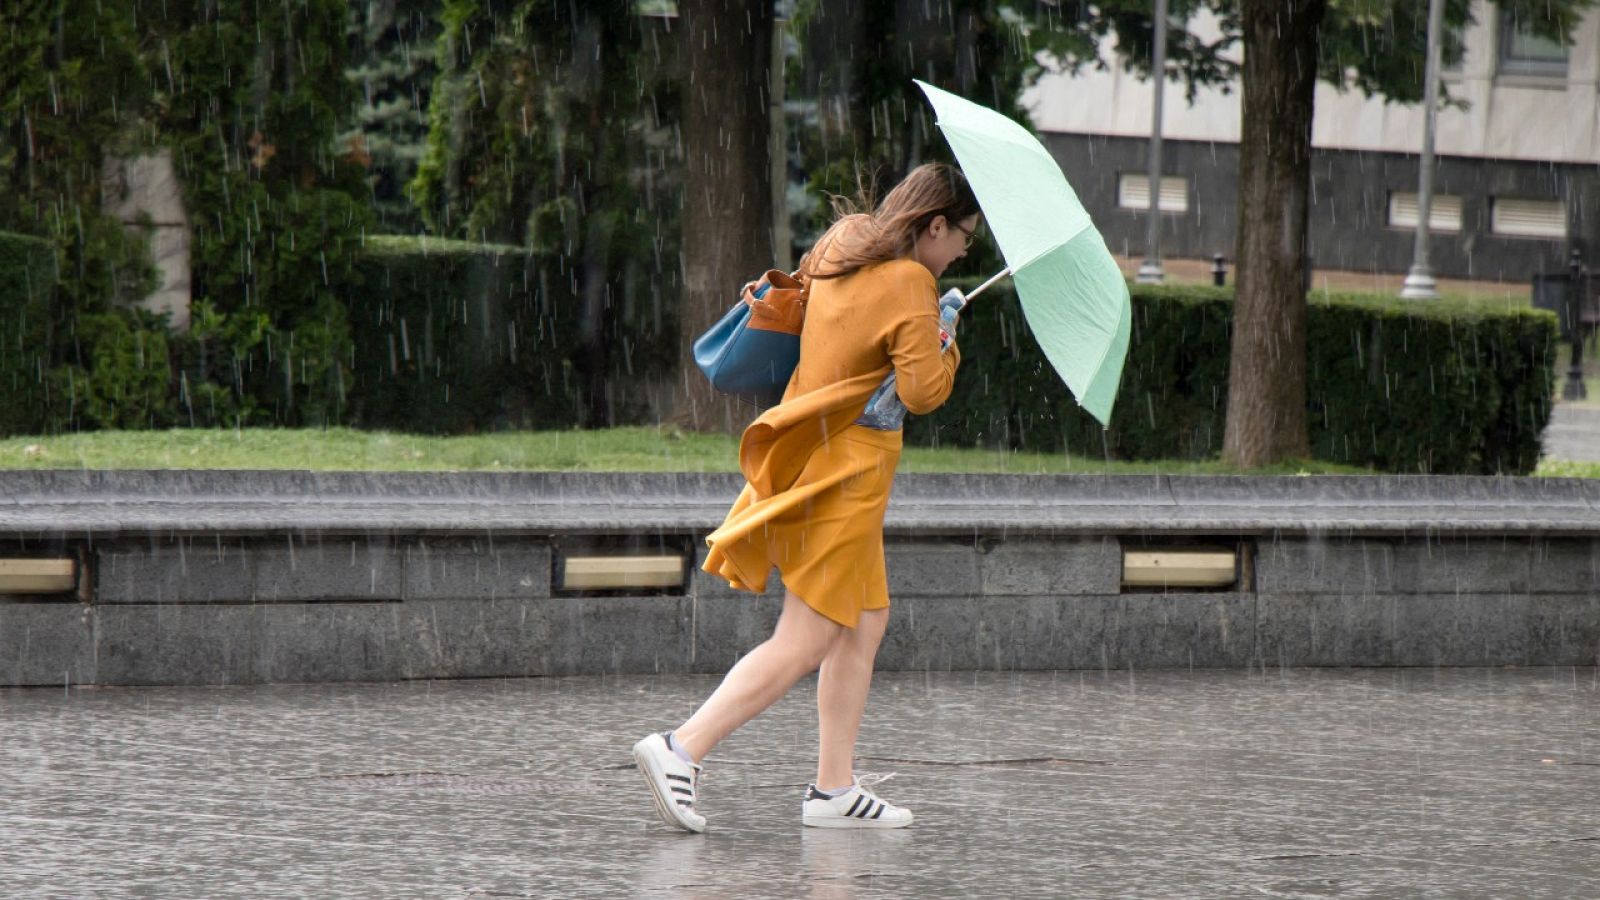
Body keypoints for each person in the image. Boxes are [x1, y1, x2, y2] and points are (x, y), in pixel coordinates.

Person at [633, 162, 980, 833]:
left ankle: (833, 789)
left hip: (816, 452)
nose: (964, 248)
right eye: (963, 234)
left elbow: (848, 350)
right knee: (806, 637)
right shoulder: (911, 281)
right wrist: (945, 338)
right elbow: (921, 394)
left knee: (865, 621)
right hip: (849, 478)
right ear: (934, 224)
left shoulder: (843, 241)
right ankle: (681, 748)